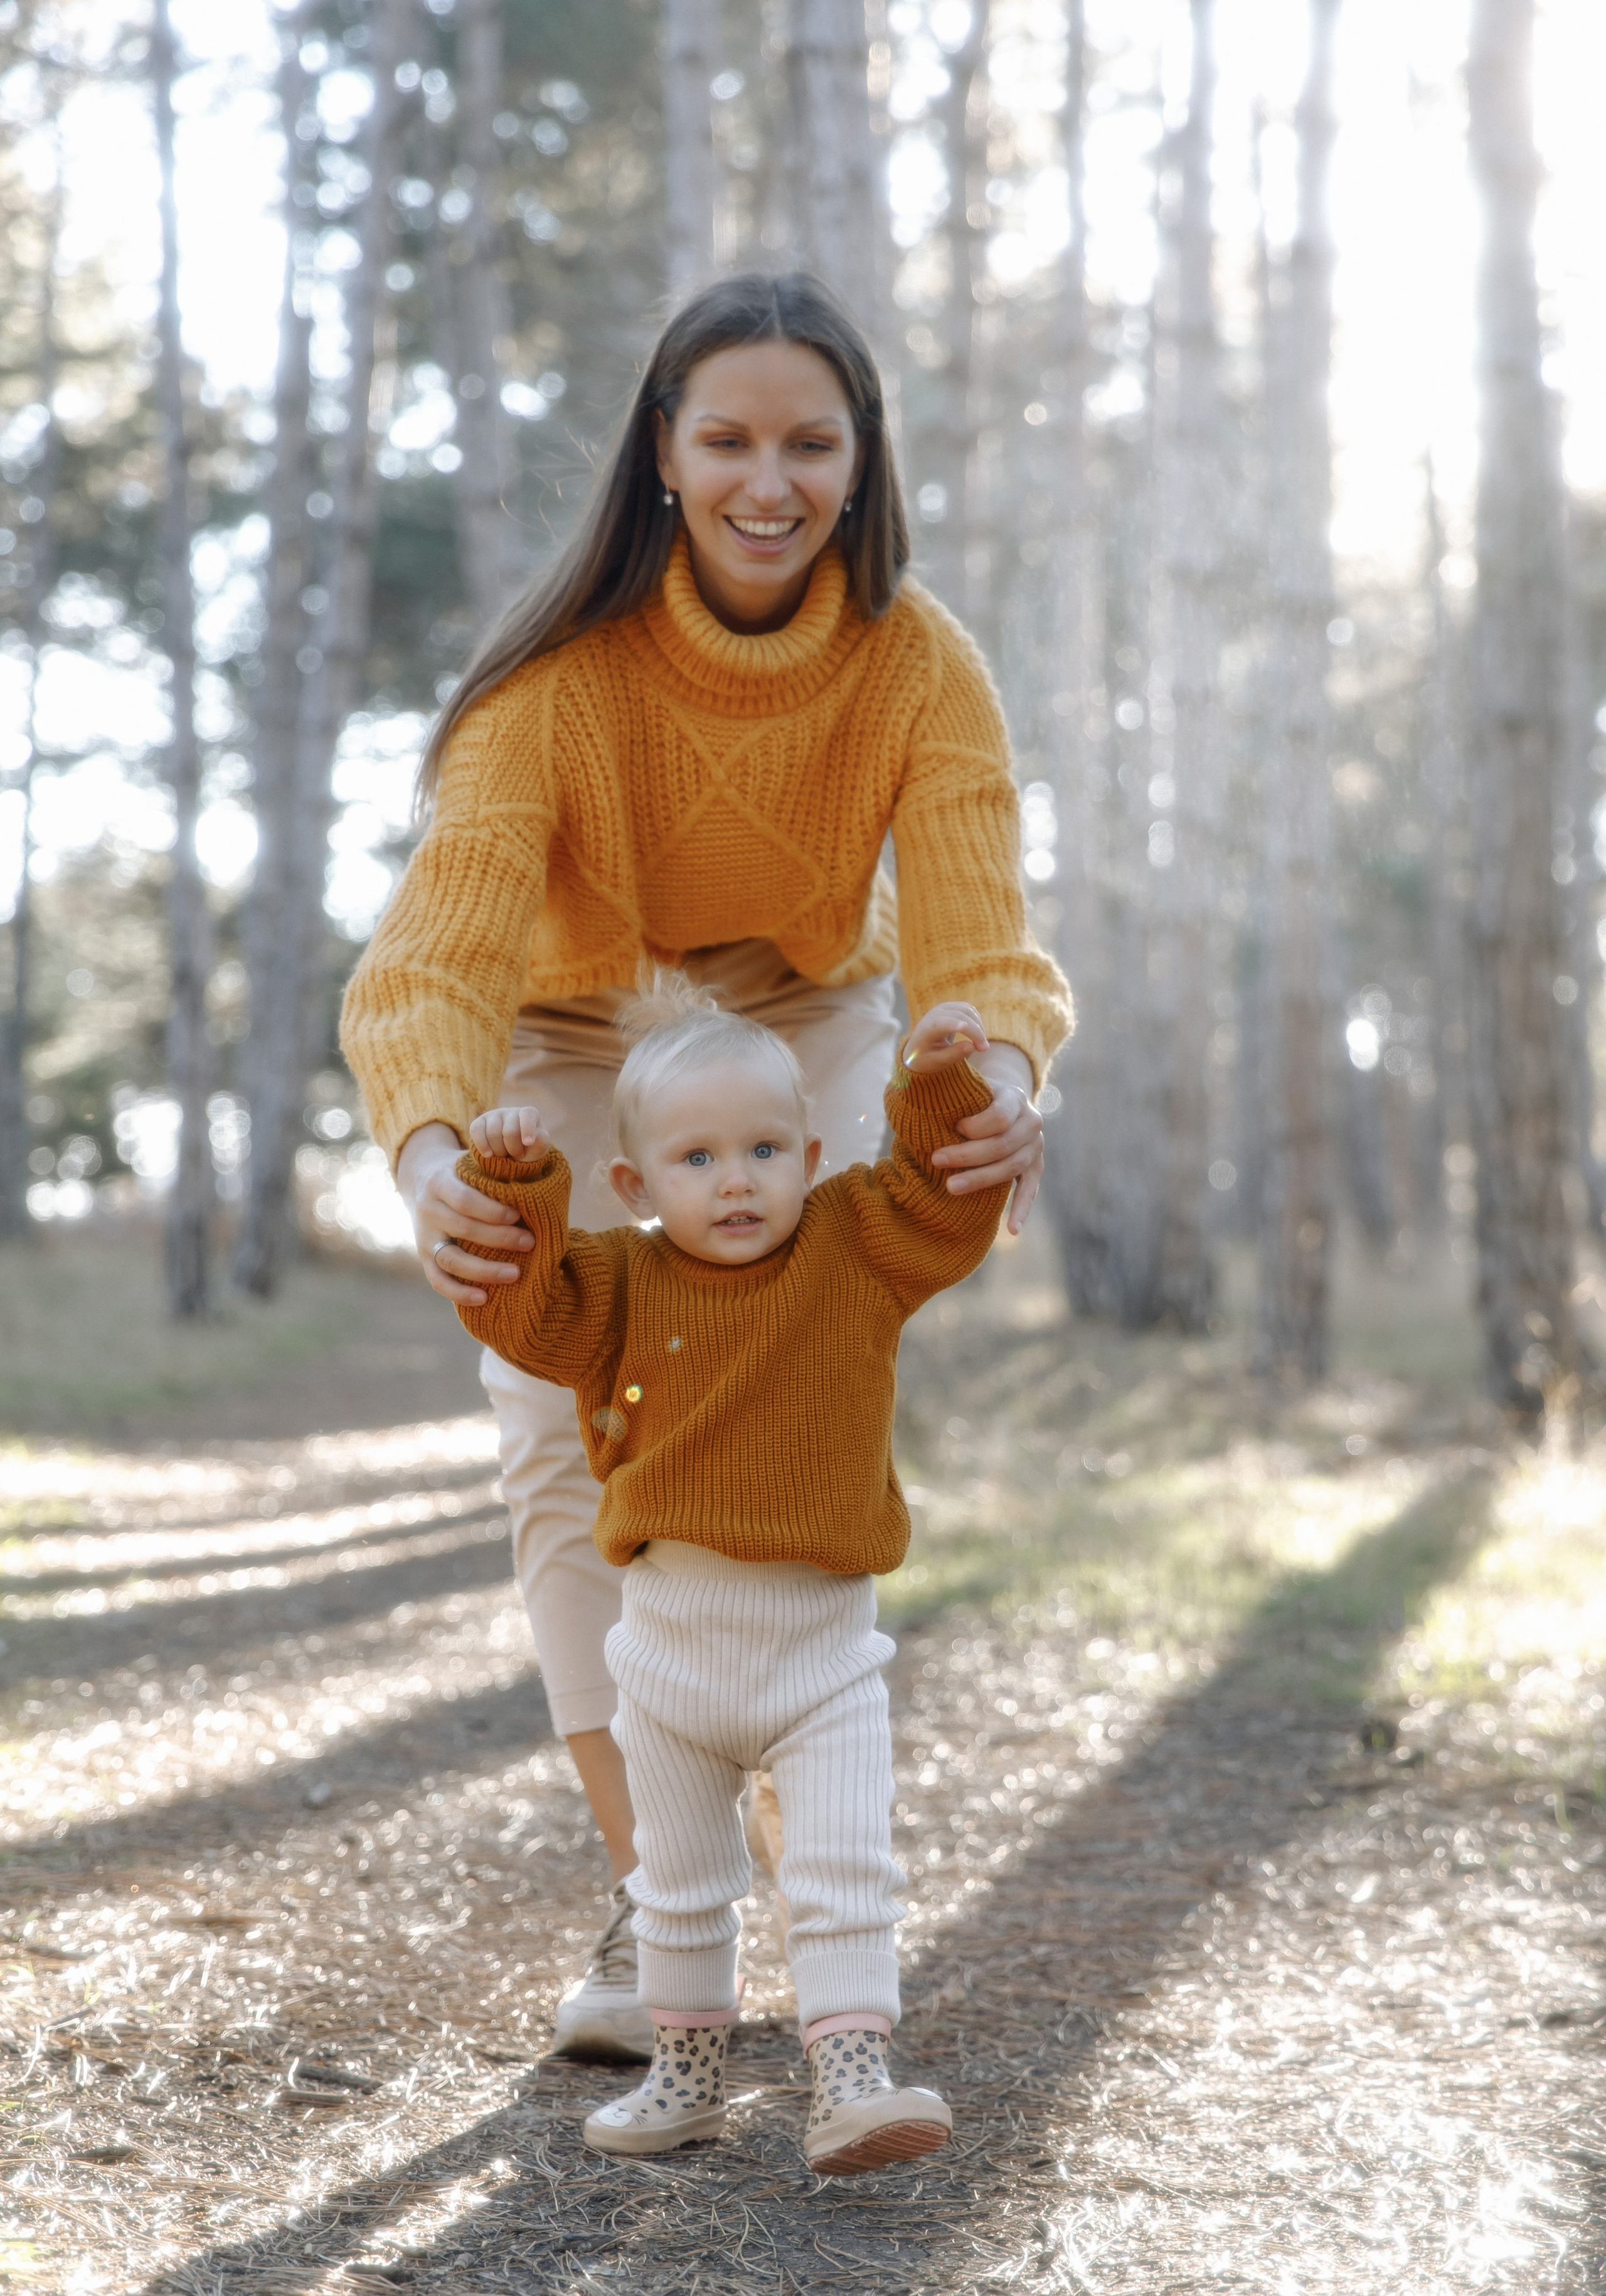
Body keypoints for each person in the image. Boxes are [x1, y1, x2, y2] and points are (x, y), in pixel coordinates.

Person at [339, 270, 1073, 2059]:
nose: (770, 479)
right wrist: (437, 1152)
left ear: (859, 457)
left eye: (810, 442)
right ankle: (657, 1894)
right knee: (553, 1425)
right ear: (664, 452)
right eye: (728, 437)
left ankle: (807, 1814)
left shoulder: (920, 664)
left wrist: (1002, 1069)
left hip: (798, 1003)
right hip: (567, 1027)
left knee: (788, 1364)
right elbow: (434, 961)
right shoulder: (555, 689)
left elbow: (979, 945)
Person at [455, 980, 1009, 2172]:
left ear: (812, 1153)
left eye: (764, 1149)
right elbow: (521, 1310)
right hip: (667, 1661)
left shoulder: (856, 1242)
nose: (737, 1179)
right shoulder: (615, 1282)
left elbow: (944, 1209)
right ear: (635, 1185)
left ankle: (852, 2076)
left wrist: (941, 1081)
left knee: (844, 1869)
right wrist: (514, 1184)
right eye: (697, 1157)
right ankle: (687, 2074)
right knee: (683, 1882)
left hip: (822, 1655)